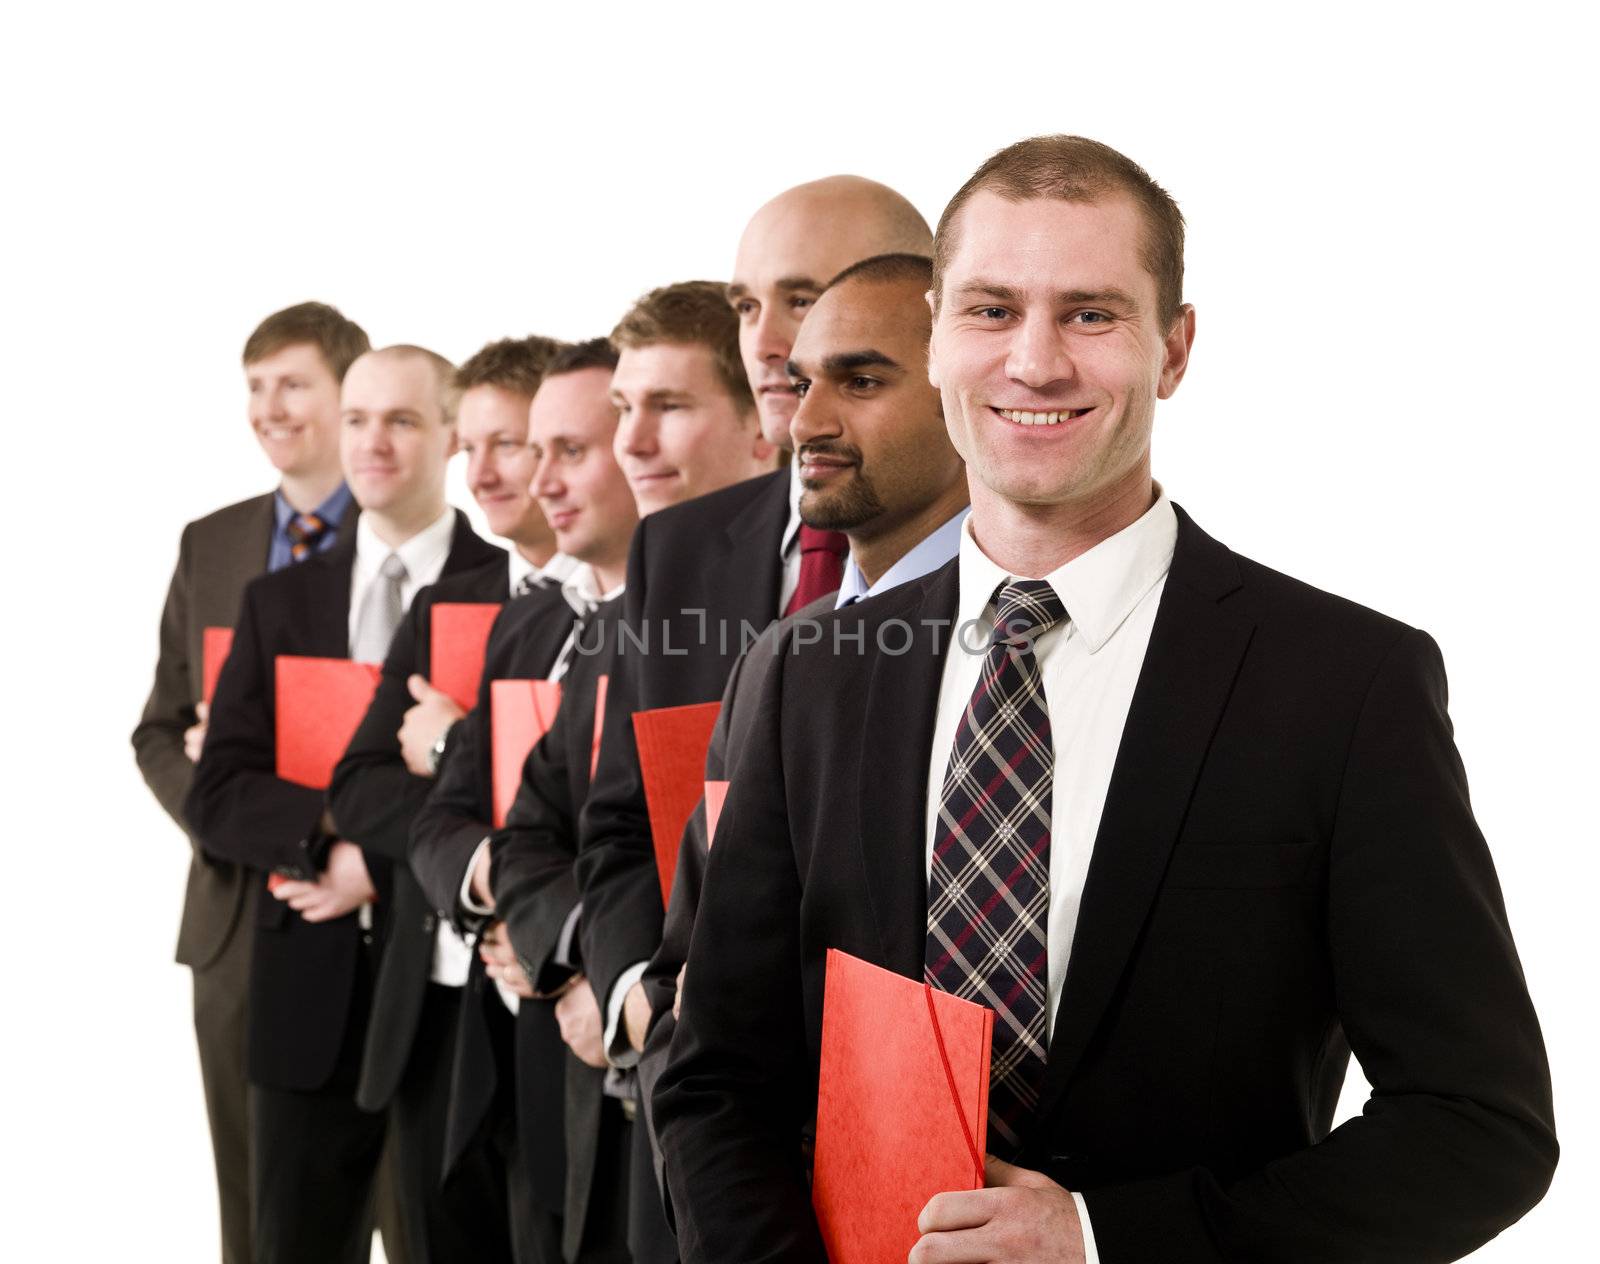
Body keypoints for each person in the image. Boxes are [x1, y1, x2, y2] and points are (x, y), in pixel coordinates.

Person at [653, 135, 1558, 1263]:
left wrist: (1103, 1241)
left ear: (1174, 348)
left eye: (1089, 314)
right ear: (935, 335)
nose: (1033, 363)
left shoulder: (1342, 684)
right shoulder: (810, 679)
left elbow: (1481, 1127)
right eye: (990, 310)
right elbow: (717, 1086)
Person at [575, 173, 934, 1108]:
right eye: (746, 305)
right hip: (687, 1096)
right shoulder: (677, 550)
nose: (768, 344)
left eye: (804, 300)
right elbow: (620, 819)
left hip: (900, 1102)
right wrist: (646, 1003)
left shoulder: (1005, 573)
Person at [636, 252, 970, 1155]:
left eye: (860, 380)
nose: (806, 422)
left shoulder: (1019, 645)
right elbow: (701, 970)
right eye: (799, 384)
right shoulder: (780, 658)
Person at [186, 345, 502, 1264]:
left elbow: (510, 788)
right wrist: (336, 842)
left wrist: (391, 859)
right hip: (304, 983)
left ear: (450, 436)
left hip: (449, 997)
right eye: (358, 419)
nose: (374, 442)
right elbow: (219, 788)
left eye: (402, 420)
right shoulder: (278, 598)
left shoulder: (509, 587)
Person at [131, 300, 368, 1264]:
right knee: (257, 1221)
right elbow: (157, 731)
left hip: (373, 912)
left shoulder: (418, 547)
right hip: (235, 920)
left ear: (349, 395)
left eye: (293, 384)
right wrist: (234, 815)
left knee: (392, 1200)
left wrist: (341, 839)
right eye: (255, 388)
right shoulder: (213, 544)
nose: (269, 408)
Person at [326, 335, 568, 1261]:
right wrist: (464, 778)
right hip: (431, 1006)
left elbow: (588, 798)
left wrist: (449, 747)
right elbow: (357, 786)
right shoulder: (448, 602)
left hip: (550, 999)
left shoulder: (636, 600)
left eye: (509, 441)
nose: (485, 470)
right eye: (470, 445)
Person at [408, 336, 637, 1263]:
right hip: (511, 1038)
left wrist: (575, 958)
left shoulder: (707, 624)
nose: (534, 479)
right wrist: (508, 903)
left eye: (564, 451)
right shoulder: (534, 615)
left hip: (612, 1036)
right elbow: (451, 820)